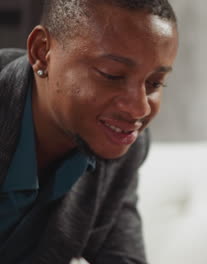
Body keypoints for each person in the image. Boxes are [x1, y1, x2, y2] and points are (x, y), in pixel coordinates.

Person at [0, 0, 178, 263]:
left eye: (154, 83)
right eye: (112, 75)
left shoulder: (123, 141)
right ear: (42, 52)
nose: (138, 108)